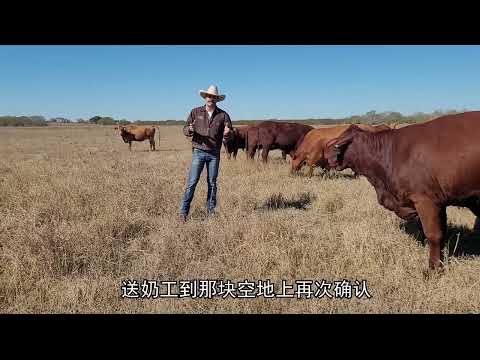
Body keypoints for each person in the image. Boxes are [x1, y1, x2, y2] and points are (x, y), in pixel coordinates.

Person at [180, 85, 233, 222]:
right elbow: (185, 129)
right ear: (205, 97)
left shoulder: (223, 115)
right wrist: (190, 129)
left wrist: (228, 134)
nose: (211, 98)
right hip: (198, 151)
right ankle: (183, 213)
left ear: (217, 99)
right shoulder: (195, 112)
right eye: (209, 96)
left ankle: (210, 213)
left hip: (214, 154)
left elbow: (230, 134)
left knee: (212, 183)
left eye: (214, 97)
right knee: (192, 182)